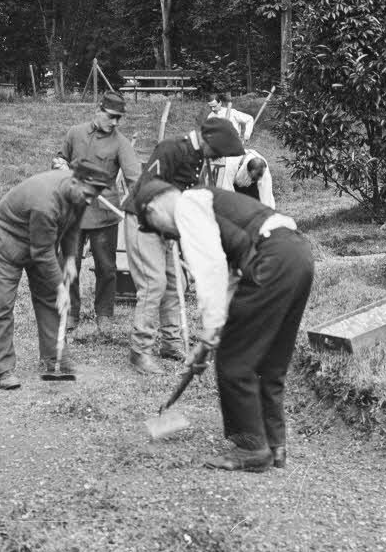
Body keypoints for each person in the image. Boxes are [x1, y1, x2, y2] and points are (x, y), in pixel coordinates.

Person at [132, 177, 313, 473]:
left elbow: (211, 268)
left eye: (159, 231)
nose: (168, 237)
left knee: (234, 363)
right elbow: (233, 276)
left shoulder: (187, 206)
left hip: (271, 257)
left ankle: (251, 448)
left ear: (153, 209)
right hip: (296, 255)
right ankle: (275, 445)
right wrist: (213, 334)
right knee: (270, 363)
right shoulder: (211, 203)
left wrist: (211, 328)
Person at [122, 119, 246, 375]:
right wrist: (167, 221)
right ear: (207, 140)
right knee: (153, 284)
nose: (217, 157)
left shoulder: (198, 156)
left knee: (174, 282)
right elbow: (147, 190)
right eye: (217, 151)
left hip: (167, 224)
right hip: (144, 220)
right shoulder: (171, 149)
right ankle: (140, 351)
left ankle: (171, 343)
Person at [0, 163, 112, 390]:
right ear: (75, 182)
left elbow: (73, 226)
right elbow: (42, 253)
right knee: (3, 303)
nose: (90, 201)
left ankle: (53, 357)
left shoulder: (80, 194)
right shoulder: (46, 203)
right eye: (88, 195)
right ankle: (4, 368)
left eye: (93, 196)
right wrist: (61, 287)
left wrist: (70, 258)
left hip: (39, 238)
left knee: (48, 297)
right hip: (8, 239)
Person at [52, 91, 141, 339]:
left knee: (106, 267)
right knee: (69, 263)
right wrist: (59, 164)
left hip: (104, 215)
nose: (115, 122)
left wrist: (140, 207)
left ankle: (104, 314)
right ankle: (71, 313)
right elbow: (60, 158)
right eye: (111, 116)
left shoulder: (121, 143)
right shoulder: (75, 133)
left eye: (119, 118)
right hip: (73, 212)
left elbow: (135, 179)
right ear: (98, 110)